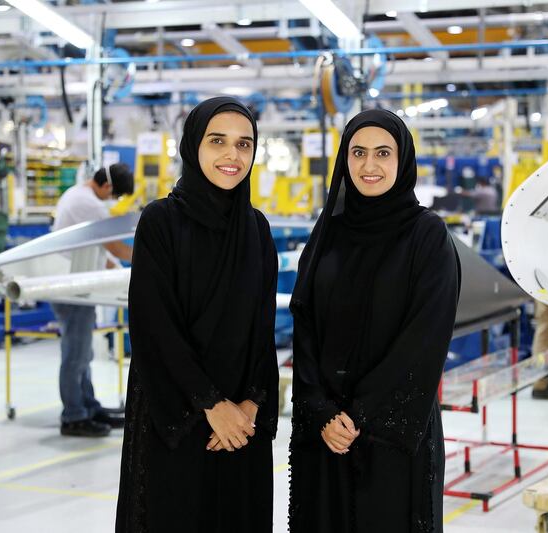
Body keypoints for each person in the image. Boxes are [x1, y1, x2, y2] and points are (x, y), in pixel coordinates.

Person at [288, 109, 461, 533]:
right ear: (343, 160)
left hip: (392, 436)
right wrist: (323, 411)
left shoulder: (427, 236)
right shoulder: (328, 233)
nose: (369, 165)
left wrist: (360, 416)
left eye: (383, 153)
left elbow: (424, 339)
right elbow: (304, 324)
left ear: (402, 161)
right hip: (325, 432)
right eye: (358, 153)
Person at [116, 97, 279, 533]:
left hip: (242, 422)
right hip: (177, 413)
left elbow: (263, 328)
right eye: (218, 141)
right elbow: (154, 327)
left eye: (244, 144)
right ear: (193, 146)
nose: (233, 155)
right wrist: (211, 405)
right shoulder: (161, 222)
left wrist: (250, 403)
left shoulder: (257, 229)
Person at [52, 163, 134, 437]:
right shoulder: (91, 206)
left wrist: (121, 274)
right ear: (108, 187)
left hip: (75, 281)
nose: (113, 201)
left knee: (82, 353)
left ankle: (88, 406)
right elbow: (116, 247)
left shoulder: (76, 195)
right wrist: (151, 256)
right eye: (115, 196)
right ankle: (73, 416)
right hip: (71, 285)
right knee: (76, 354)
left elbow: (101, 249)